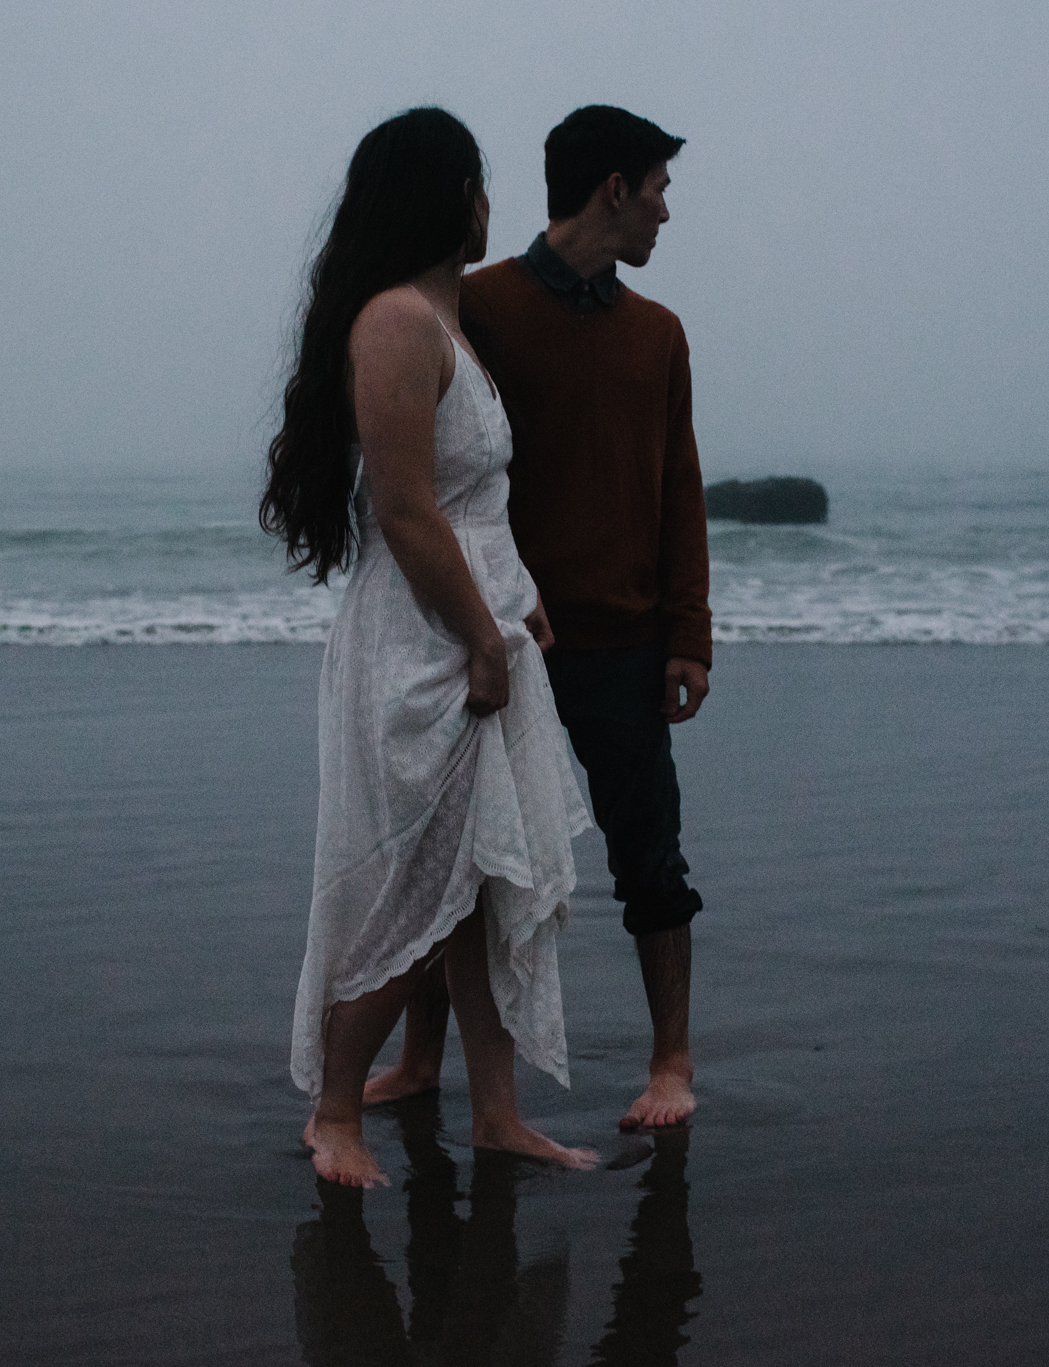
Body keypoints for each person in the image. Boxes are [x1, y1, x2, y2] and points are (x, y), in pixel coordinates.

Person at [262, 107, 598, 1188]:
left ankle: (495, 1114)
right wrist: (480, 640)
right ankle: (332, 1114)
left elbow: (473, 501)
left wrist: (522, 604)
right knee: (414, 877)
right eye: (474, 181)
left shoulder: (442, 326)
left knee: (481, 886)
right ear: (445, 196)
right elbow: (406, 510)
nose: (486, 203)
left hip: (476, 622)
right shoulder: (397, 323)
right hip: (428, 641)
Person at [364, 105, 711, 1133]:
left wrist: (688, 632)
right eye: (656, 187)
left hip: (624, 638)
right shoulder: (473, 309)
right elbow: (427, 472)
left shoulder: (658, 334)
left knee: (647, 850)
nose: (663, 211)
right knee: (456, 857)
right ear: (610, 188)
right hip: (501, 635)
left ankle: (670, 1060)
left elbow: (678, 487)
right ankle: (422, 1059)